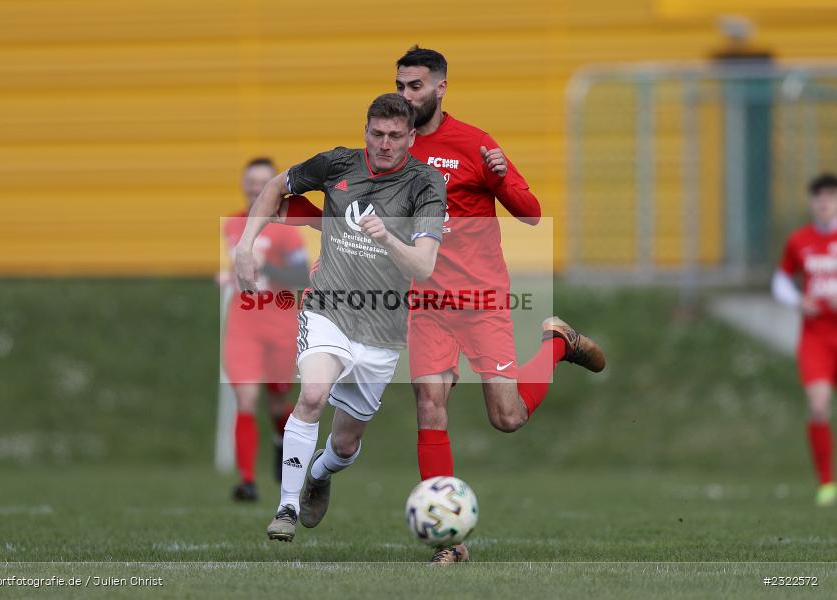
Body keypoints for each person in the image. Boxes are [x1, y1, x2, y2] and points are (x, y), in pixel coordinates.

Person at [283, 47, 606, 562]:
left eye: (416, 86)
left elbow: (530, 213)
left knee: (508, 418)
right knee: (430, 406)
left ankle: (556, 343)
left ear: (440, 88)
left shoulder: (475, 145)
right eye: (400, 85)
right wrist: (296, 211)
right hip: (424, 304)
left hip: (482, 301)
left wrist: (499, 177)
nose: (407, 95)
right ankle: (449, 543)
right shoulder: (391, 150)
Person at [234, 93, 446, 542]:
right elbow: (275, 187)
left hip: (383, 328)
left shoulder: (426, 184)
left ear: (411, 136)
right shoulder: (337, 165)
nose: (384, 143)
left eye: (394, 136)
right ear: (365, 130)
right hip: (327, 306)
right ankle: (287, 508)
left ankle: (321, 473)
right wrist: (245, 246)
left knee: (346, 444)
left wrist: (387, 237)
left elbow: (423, 267)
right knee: (312, 395)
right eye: (376, 133)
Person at [219, 157, 310, 502]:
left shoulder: (285, 228)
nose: (255, 187)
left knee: (277, 404)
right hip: (244, 324)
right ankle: (247, 481)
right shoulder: (232, 225)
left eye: (262, 181)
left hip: (280, 324)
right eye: (250, 181)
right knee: (246, 398)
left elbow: (301, 278)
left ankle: (280, 438)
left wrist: (266, 265)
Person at [772, 172, 837, 507]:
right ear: (812, 202)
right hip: (816, 337)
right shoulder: (800, 241)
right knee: (818, 405)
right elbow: (780, 282)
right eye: (819, 197)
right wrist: (799, 300)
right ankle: (827, 483)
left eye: (830, 197)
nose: (824, 203)